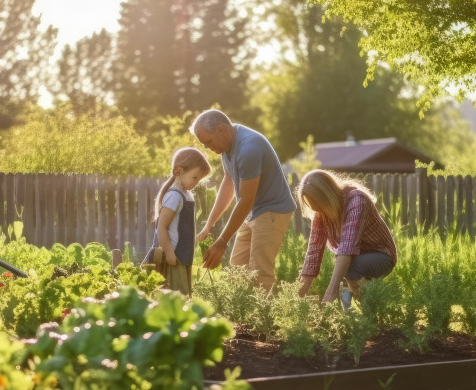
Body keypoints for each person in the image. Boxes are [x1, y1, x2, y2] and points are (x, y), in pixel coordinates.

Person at [192, 109, 297, 292]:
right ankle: (240, 317)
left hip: (272, 210)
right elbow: (229, 183)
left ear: (222, 130)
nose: (207, 147)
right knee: (237, 269)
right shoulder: (226, 147)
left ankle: (265, 319)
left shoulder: (249, 148)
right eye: (203, 144)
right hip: (252, 211)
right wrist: (209, 224)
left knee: (259, 272)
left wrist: (222, 242)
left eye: (208, 141)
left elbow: (246, 200)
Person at [297, 169, 397, 304]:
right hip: (354, 258)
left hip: (381, 255)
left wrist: (330, 294)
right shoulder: (322, 212)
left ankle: (373, 306)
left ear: (327, 196)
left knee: (348, 269)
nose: (318, 212)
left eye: (319, 206)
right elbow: (313, 253)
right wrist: (297, 295)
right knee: (345, 293)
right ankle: (352, 316)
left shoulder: (357, 201)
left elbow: (346, 248)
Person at [144, 147, 212, 295]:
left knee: (181, 293)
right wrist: (169, 254)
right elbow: (162, 227)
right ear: (178, 171)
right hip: (171, 258)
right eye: (194, 178)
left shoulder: (186, 195)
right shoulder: (174, 196)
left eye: (199, 180)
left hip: (181, 257)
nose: (196, 183)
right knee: (171, 294)